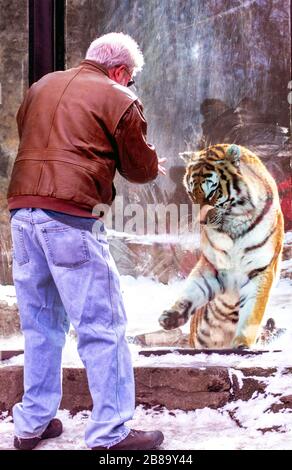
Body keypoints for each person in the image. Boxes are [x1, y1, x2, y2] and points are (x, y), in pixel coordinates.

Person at [7, 32, 166, 451]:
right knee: (102, 325)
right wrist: (153, 161)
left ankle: (32, 424)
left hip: (22, 213)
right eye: (128, 78)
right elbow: (140, 169)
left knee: (40, 325)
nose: (128, 85)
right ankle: (111, 432)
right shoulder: (118, 96)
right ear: (119, 71)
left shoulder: (41, 87)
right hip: (72, 217)